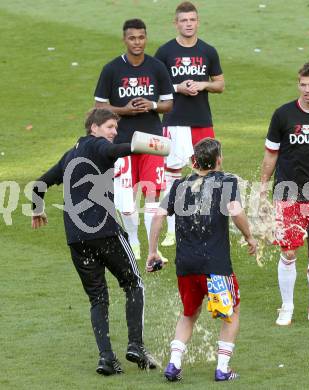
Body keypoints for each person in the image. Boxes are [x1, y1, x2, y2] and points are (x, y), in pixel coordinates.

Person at [31, 108, 157, 376]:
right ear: (94, 128)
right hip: (105, 231)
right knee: (133, 283)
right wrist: (136, 146)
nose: (113, 132)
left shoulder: (70, 154)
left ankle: (106, 359)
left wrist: (37, 209)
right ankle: (135, 345)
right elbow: (112, 152)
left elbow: (39, 185)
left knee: (98, 298)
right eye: (111, 127)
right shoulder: (99, 145)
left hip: (76, 239)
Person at [147, 138, 257, 382]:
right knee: (231, 312)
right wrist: (249, 237)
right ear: (218, 160)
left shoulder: (179, 185)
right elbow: (236, 211)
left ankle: (174, 364)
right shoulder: (226, 181)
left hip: (186, 266)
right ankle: (222, 369)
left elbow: (158, 216)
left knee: (189, 313)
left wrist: (152, 251)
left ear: (195, 161)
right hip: (216, 267)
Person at [94, 18, 174, 261]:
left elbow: (168, 104)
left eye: (141, 37)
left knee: (152, 194)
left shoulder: (157, 67)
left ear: (146, 38)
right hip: (122, 142)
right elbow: (99, 106)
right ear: (124, 39)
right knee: (127, 202)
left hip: (152, 140)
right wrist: (126, 110)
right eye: (132, 38)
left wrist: (151, 105)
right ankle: (133, 240)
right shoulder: (111, 69)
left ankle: (152, 248)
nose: (137, 42)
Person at [155, 1, 224, 247]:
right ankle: (173, 229)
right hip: (174, 121)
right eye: (183, 20)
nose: (188, 24)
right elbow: (155, 88)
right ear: (176, 23)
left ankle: (209, 223)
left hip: (202, 120)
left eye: (192, 20)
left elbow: (220, 84)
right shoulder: (164, 52)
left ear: (198, 22)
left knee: (210, 173)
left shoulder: (208, 51)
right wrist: (178, 87)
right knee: (173, 176)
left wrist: (202, 84)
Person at [260, 61, 309, 325]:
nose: (307, 90)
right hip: (288, 194)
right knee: (289, 252)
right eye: (303, 84)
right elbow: (270, 155)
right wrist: (262, 189)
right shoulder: (283, 115)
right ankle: (287, 306)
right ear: (298, 84)